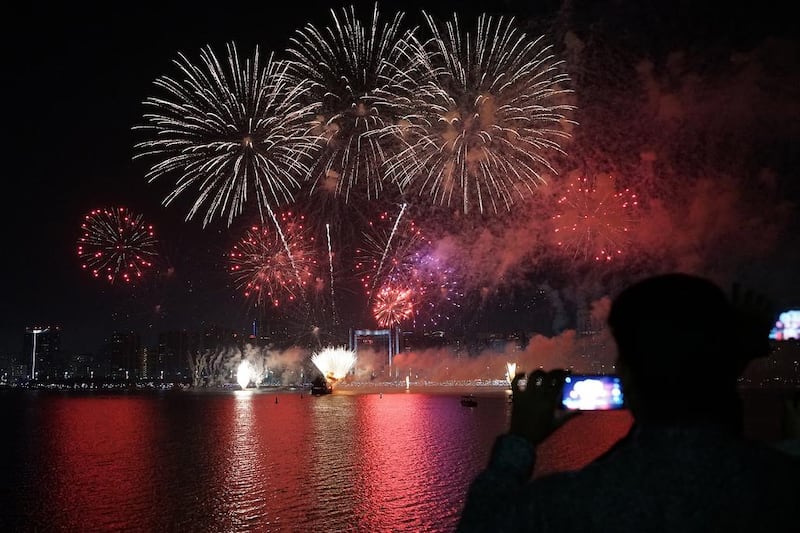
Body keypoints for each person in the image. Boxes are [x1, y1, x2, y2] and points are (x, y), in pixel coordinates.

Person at [456, 273, 800, 532]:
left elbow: (483, 523)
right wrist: (731, 360)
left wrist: (520, 440)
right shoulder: (780, 484)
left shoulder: (583, 500)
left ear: (628, 376)